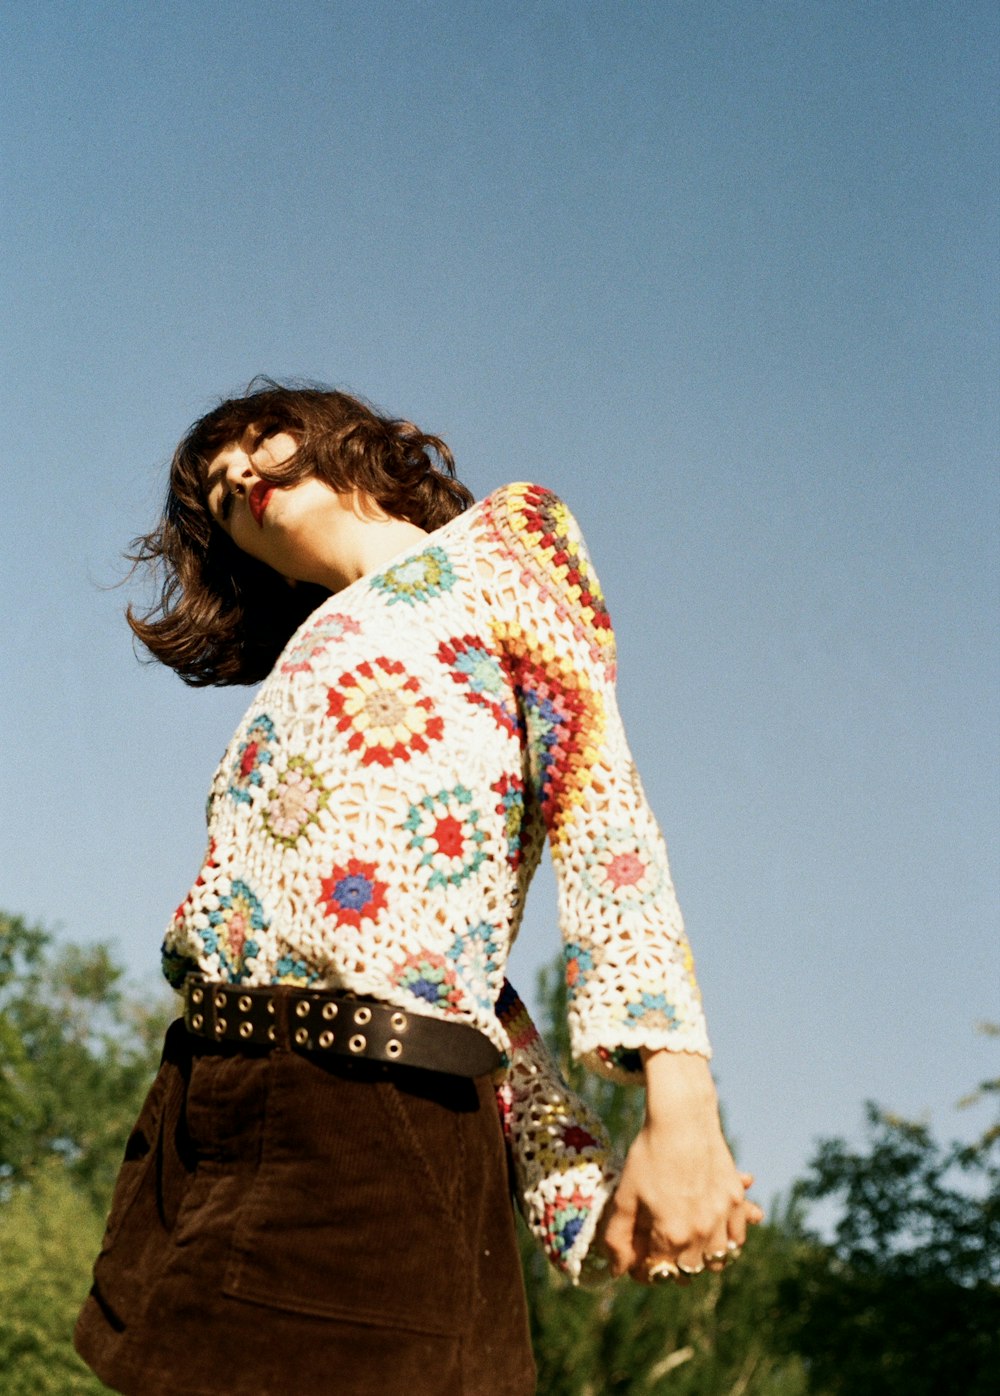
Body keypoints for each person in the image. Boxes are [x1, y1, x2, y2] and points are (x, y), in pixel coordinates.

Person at [74, 381, 762, 1396]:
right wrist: (563, 1172)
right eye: (218, 497)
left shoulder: (503, 546)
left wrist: (682, 1102)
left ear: (354, 437)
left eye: (255, 444)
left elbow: (601, 801)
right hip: (200, 1102)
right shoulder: (305, 661)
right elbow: (451, 955)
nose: (239, 479)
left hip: (363, 1119)